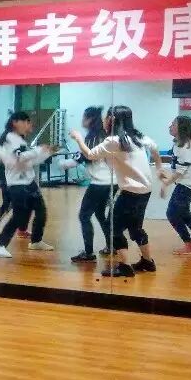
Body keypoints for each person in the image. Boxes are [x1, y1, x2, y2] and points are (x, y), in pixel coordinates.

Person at [70, 105, 163, 278]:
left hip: (130, 191)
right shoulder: (138, 137)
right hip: (145, 190)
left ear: (112, 119)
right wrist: (159, 168)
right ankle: (147, 262)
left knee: (113, 228)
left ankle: (124, 267)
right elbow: (155, 148)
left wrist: (78, 138)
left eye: (106, 117)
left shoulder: (114, 141)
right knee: (135, 228)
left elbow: (90, 154)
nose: (104, 120)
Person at [0, 112, 54, 258]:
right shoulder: (10, 138)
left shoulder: (21, 140)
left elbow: (29, 162)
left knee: (41, 211)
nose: (28, 125)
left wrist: (46, 153)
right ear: (15, 122)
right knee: (18, 217)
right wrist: (39, 150)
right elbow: (20, 157)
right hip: (17, 184)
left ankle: (36, 241)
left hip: (29, 182)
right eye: (25, 122)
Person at [66, 106, 112, 263]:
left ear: (90, 119)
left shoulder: (93, 136)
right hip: (109, 182)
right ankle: (111, 246)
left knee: (84, 215)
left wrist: (66, 163)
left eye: (84, 117)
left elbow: (87, 156)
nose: (82, 120)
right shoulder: (103, 134)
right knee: (99, 214)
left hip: (99, 182)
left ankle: (88, 253)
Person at [164, 116, 191, 256]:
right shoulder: (181, 143)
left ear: (181, 128)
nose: (170, 126)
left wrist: (166, 183)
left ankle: (189, 246)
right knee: (183, 212)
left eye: (173, 124)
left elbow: (181, 170)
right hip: (188, 183)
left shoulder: (186, 146)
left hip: (187, 183)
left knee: (172, 213)